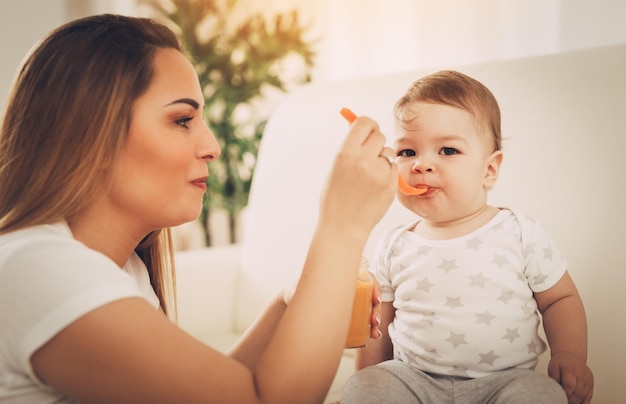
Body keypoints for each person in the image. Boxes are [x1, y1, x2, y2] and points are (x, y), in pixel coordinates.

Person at [0, 14, 396, 403]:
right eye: (182, 119)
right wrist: (343, 225)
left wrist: (290, 302)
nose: (212, 146)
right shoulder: (39, 268)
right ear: (91, 133)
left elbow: (210, 391)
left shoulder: (121, 269)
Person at [341, 70, 594, 404]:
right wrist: (366, 382)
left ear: (489, 170)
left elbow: (560, 299)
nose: (422, 165)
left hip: (504, 382)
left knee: (542, 395)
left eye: (447, 150)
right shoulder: (394, 244)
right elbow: (378, 326)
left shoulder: (520, 232)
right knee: (367, 386)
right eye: (407, 152)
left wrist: (571, 355)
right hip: (412, 380)